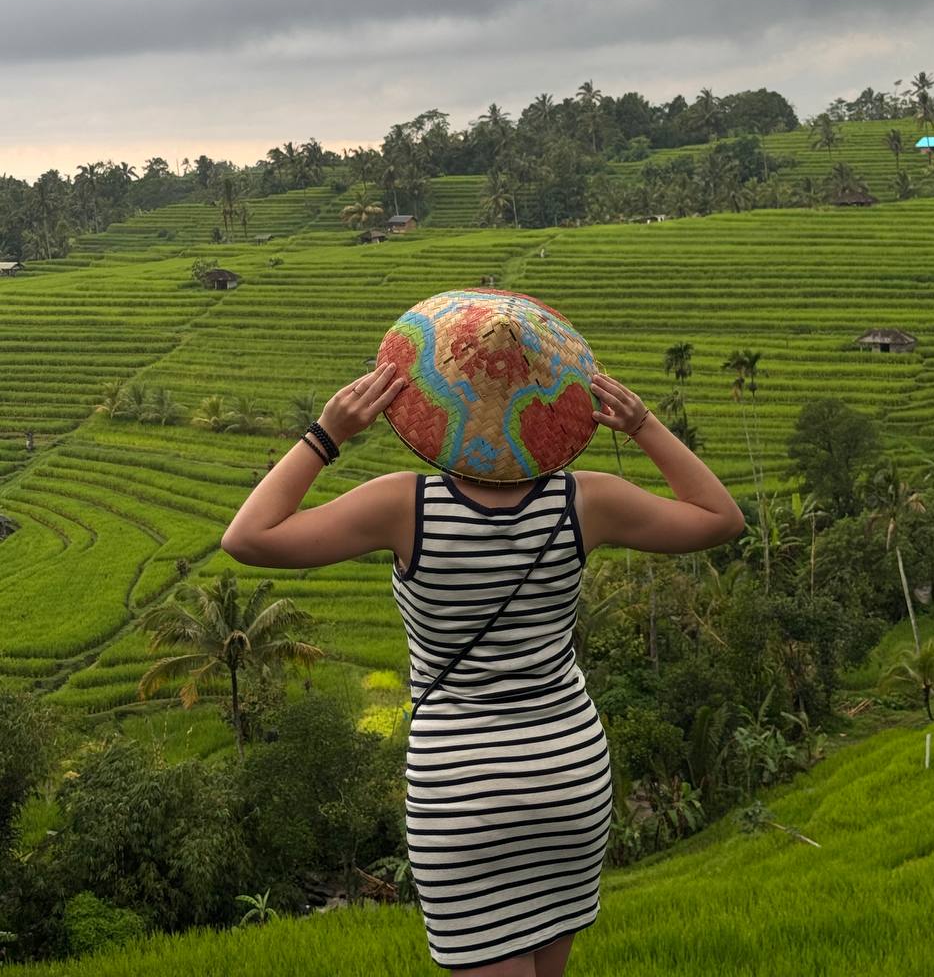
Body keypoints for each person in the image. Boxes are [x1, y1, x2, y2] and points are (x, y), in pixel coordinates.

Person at [222, 362, 744, 977]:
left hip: (464, 794)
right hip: (569, 779)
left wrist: (326, 435)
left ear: (439, 413)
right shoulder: (586, 500)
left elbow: (248, 537)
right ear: (546, 411)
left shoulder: (402, 504)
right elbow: (722, 519)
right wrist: (643, 425)